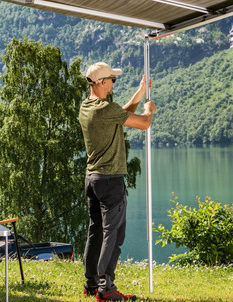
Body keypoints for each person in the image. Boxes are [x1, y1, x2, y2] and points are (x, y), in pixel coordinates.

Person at [79, 62, 156, 301]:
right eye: (112, 79)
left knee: (96, 233)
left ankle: (91, 283)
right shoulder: (105, 109)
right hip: (111, 181)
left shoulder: (87, 106)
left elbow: (119, 113)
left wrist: (139, 92)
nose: (114, 82)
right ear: (102, 82)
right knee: (113, 235)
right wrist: (149, 109)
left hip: (92, 179)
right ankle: (106, 288)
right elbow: (143, 123)